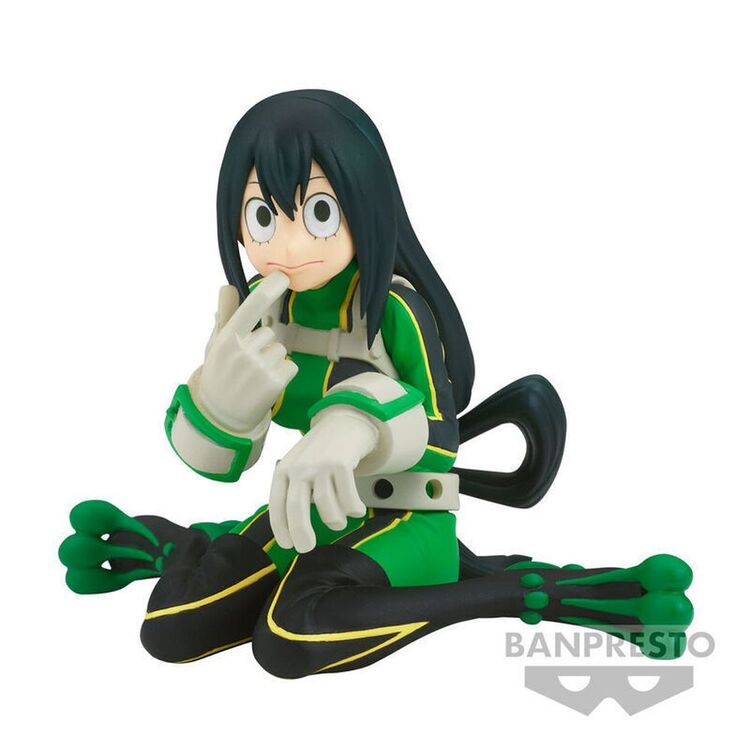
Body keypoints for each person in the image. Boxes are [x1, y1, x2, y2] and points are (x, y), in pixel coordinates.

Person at [59, 90, 693, 676]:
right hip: (310, 513)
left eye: (319, 212)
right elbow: (219, 465)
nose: (287, 245)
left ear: (364, 203)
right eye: (262, 216)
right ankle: (184, 546)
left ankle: (502, 592)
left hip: (409, 514)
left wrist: (355, 424)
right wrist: (219, 409)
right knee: (172, 628)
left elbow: (438, 433)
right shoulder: (261, 309)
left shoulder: (391, 308)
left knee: (290, 635)